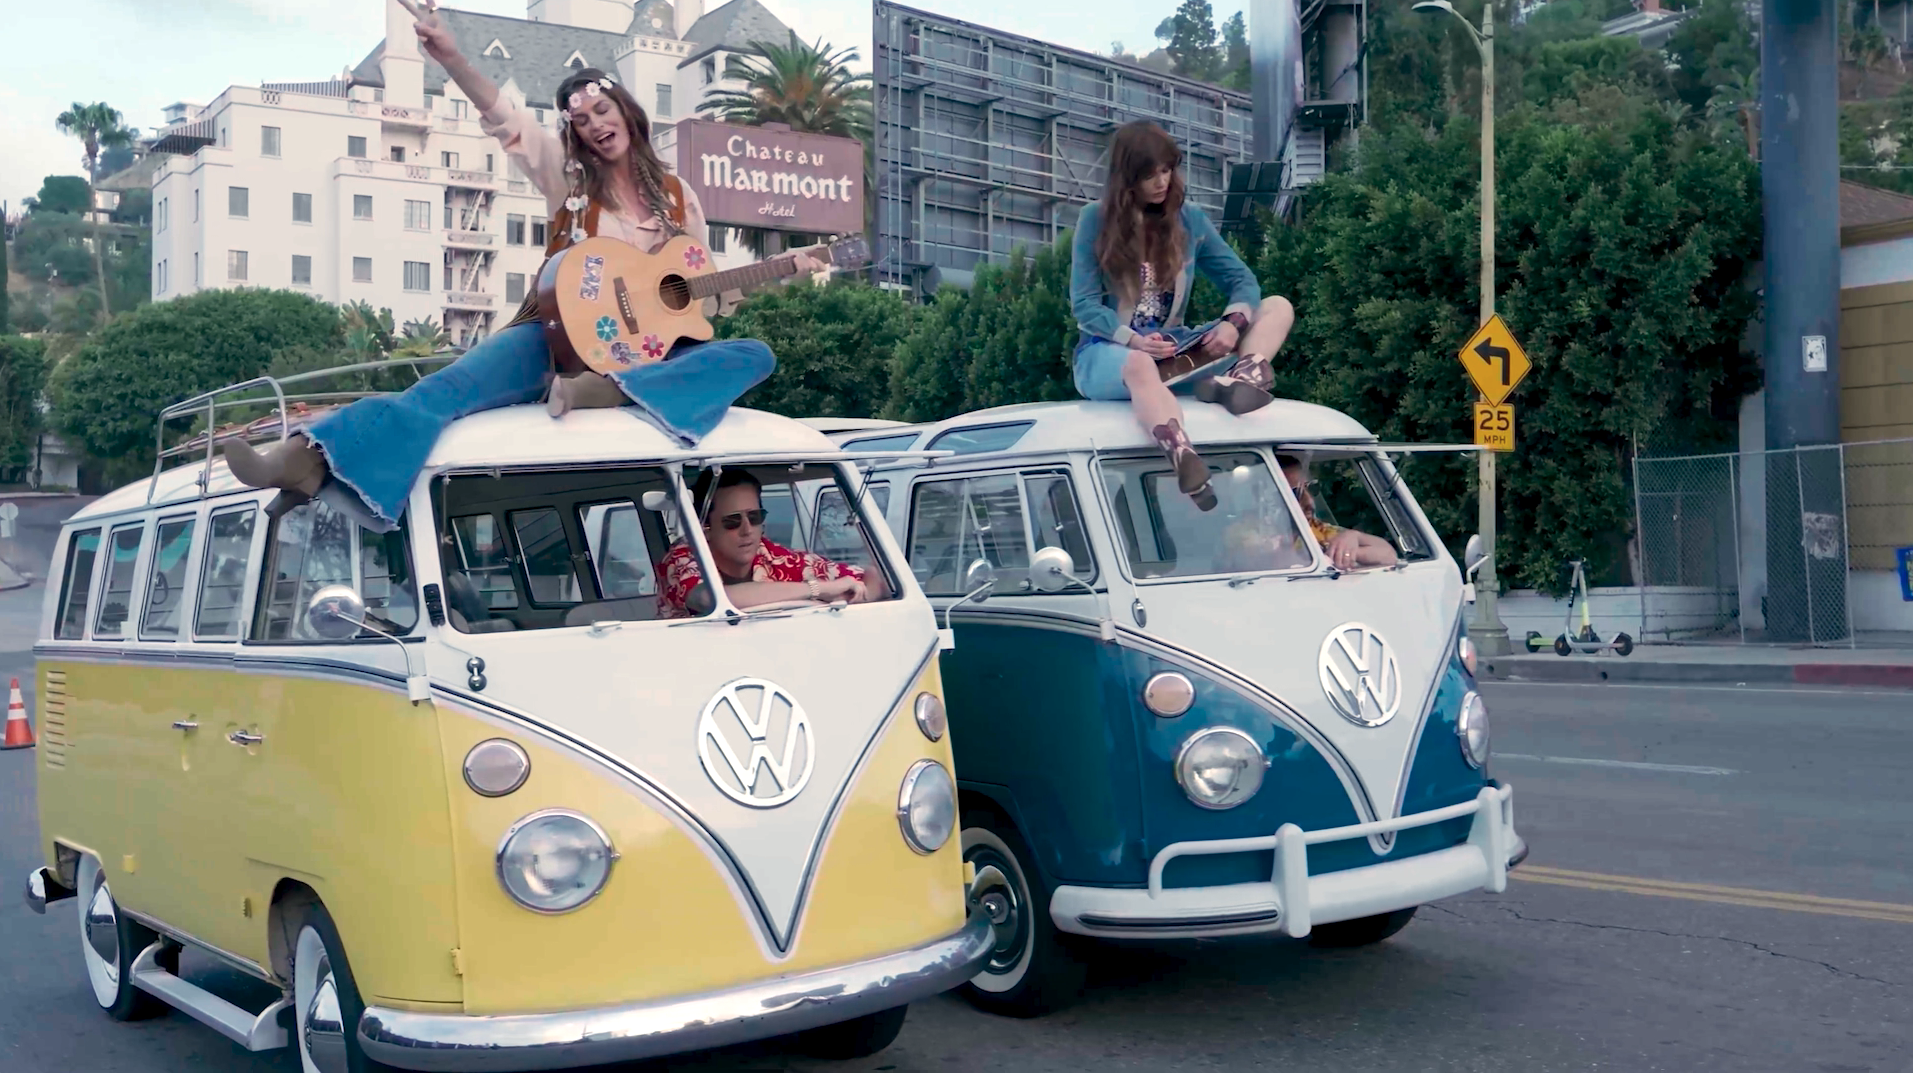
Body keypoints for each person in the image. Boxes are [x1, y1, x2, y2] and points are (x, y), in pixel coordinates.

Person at [220, 0, 820, 533]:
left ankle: (608, 393)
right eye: (582, 121)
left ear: (626, 111)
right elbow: (504, 117)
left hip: (644, 356)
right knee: (442, 391)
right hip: (557, 338)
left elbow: (697, 293)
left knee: (752, 355)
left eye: (603, 111)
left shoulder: (677, 194)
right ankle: (304, 460)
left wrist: (777, 269)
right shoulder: (567, 177)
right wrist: (451, 53)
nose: (596, 125)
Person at [1071, 120, 1297, 512]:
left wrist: (1233, 324)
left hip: (1176, 351)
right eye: (1149, 175)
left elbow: (1241, 281)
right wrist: (1133, 340)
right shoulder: (1095, 219)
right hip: (1107, 353)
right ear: (1127, 179)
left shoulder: (1189, 220)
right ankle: (1183, 456)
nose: (1161, 182)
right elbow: (1084, 305)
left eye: (1167, 170)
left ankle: (1240, 379)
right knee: (1140, 363)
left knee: (1278, 306)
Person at [657, 470, 886, 618]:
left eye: (755, 517)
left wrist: (846, 600)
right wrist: (819, 590)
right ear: (705, 526)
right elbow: (710, 598)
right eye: (732, 521)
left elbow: (875, 577)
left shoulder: (773, 556)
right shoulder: (683, 557)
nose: (747, 530)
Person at [1278, 455, 1398, 570]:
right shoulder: (1262, 535)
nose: (1309, 500)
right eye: (1295, 493)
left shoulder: (1316, 529)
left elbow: (1389, 556)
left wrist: (1354, 538)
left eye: (1311, 488)